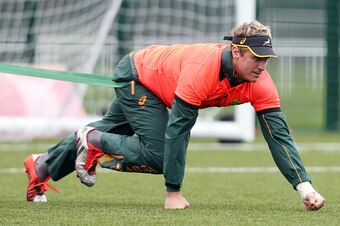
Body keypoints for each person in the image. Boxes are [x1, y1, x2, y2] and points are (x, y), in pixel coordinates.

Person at [24, 20, 325, 210]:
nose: (262, 66)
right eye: (256, 59)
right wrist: (174, 192)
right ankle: (91, 140)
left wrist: (305, 187)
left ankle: (41, 167)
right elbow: (178, 131)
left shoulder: (260, 83)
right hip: (139, 77)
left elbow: (279, 137)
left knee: (109, 130)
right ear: (236, 53)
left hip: (156, 81)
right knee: (159, 155)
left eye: (266, 60)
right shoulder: (201, 72)